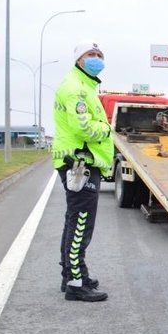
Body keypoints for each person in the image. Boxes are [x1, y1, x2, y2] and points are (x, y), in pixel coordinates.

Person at [50, 42, 113, 302]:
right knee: (80, 223)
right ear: (79, 60)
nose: (96, 58)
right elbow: (82, 127)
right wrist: (107, 129)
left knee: (74, 220)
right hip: (80, 163)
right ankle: (76, 282)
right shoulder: (76, 88)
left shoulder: (85, 86)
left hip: (80, 161)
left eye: (99, 55)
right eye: (91, 55)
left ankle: (72, 275)